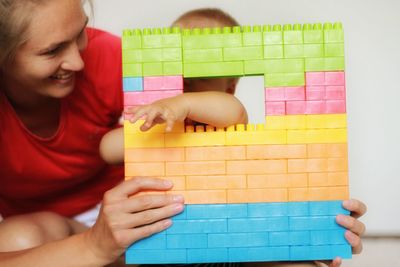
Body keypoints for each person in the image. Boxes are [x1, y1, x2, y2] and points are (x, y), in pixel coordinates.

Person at [100, 7, 367, 267]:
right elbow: (107, 148)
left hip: (243, 243)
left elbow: (233, 110)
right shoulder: (153, 130)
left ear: (229, 87)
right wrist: (147, 128)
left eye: (199, 71)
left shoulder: (228, 119)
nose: (186, 79)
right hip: (170, 243)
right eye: (177, 68)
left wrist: (182, 104)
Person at [0, 0, 186, 266]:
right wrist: (94, 246)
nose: (77, 62)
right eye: (52, 51)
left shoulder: (105, 56)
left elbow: (191, 134)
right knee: (17, 239)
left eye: (80, 33)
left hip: (126, 214)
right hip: (55, 236)